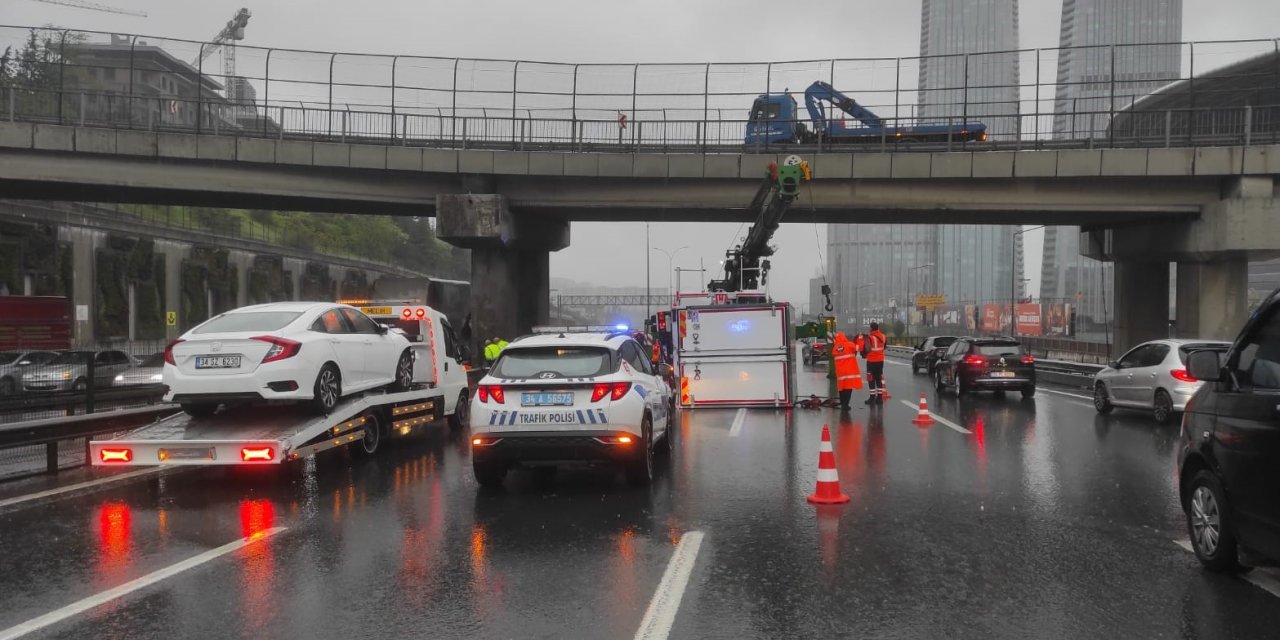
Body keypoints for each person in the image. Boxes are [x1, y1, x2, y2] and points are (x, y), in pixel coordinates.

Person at [831, 332, 863, 409]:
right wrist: (860, 338)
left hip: (840, 372)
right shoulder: (849, 345)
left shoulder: (835, 348)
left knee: (841, 388)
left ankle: (842, 403)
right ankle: (846, 404)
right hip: (849, 371)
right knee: (848, 387)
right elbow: (859, 348)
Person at [864, 322, 887, 405]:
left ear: (871, 328)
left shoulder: (869, 338)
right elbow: (884, 347)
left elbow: (865, 349)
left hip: (871, 361)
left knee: (871, 379)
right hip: (880, 361)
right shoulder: (884, 336)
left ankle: (872, 398)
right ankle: (879, 398)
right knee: (878, 378)